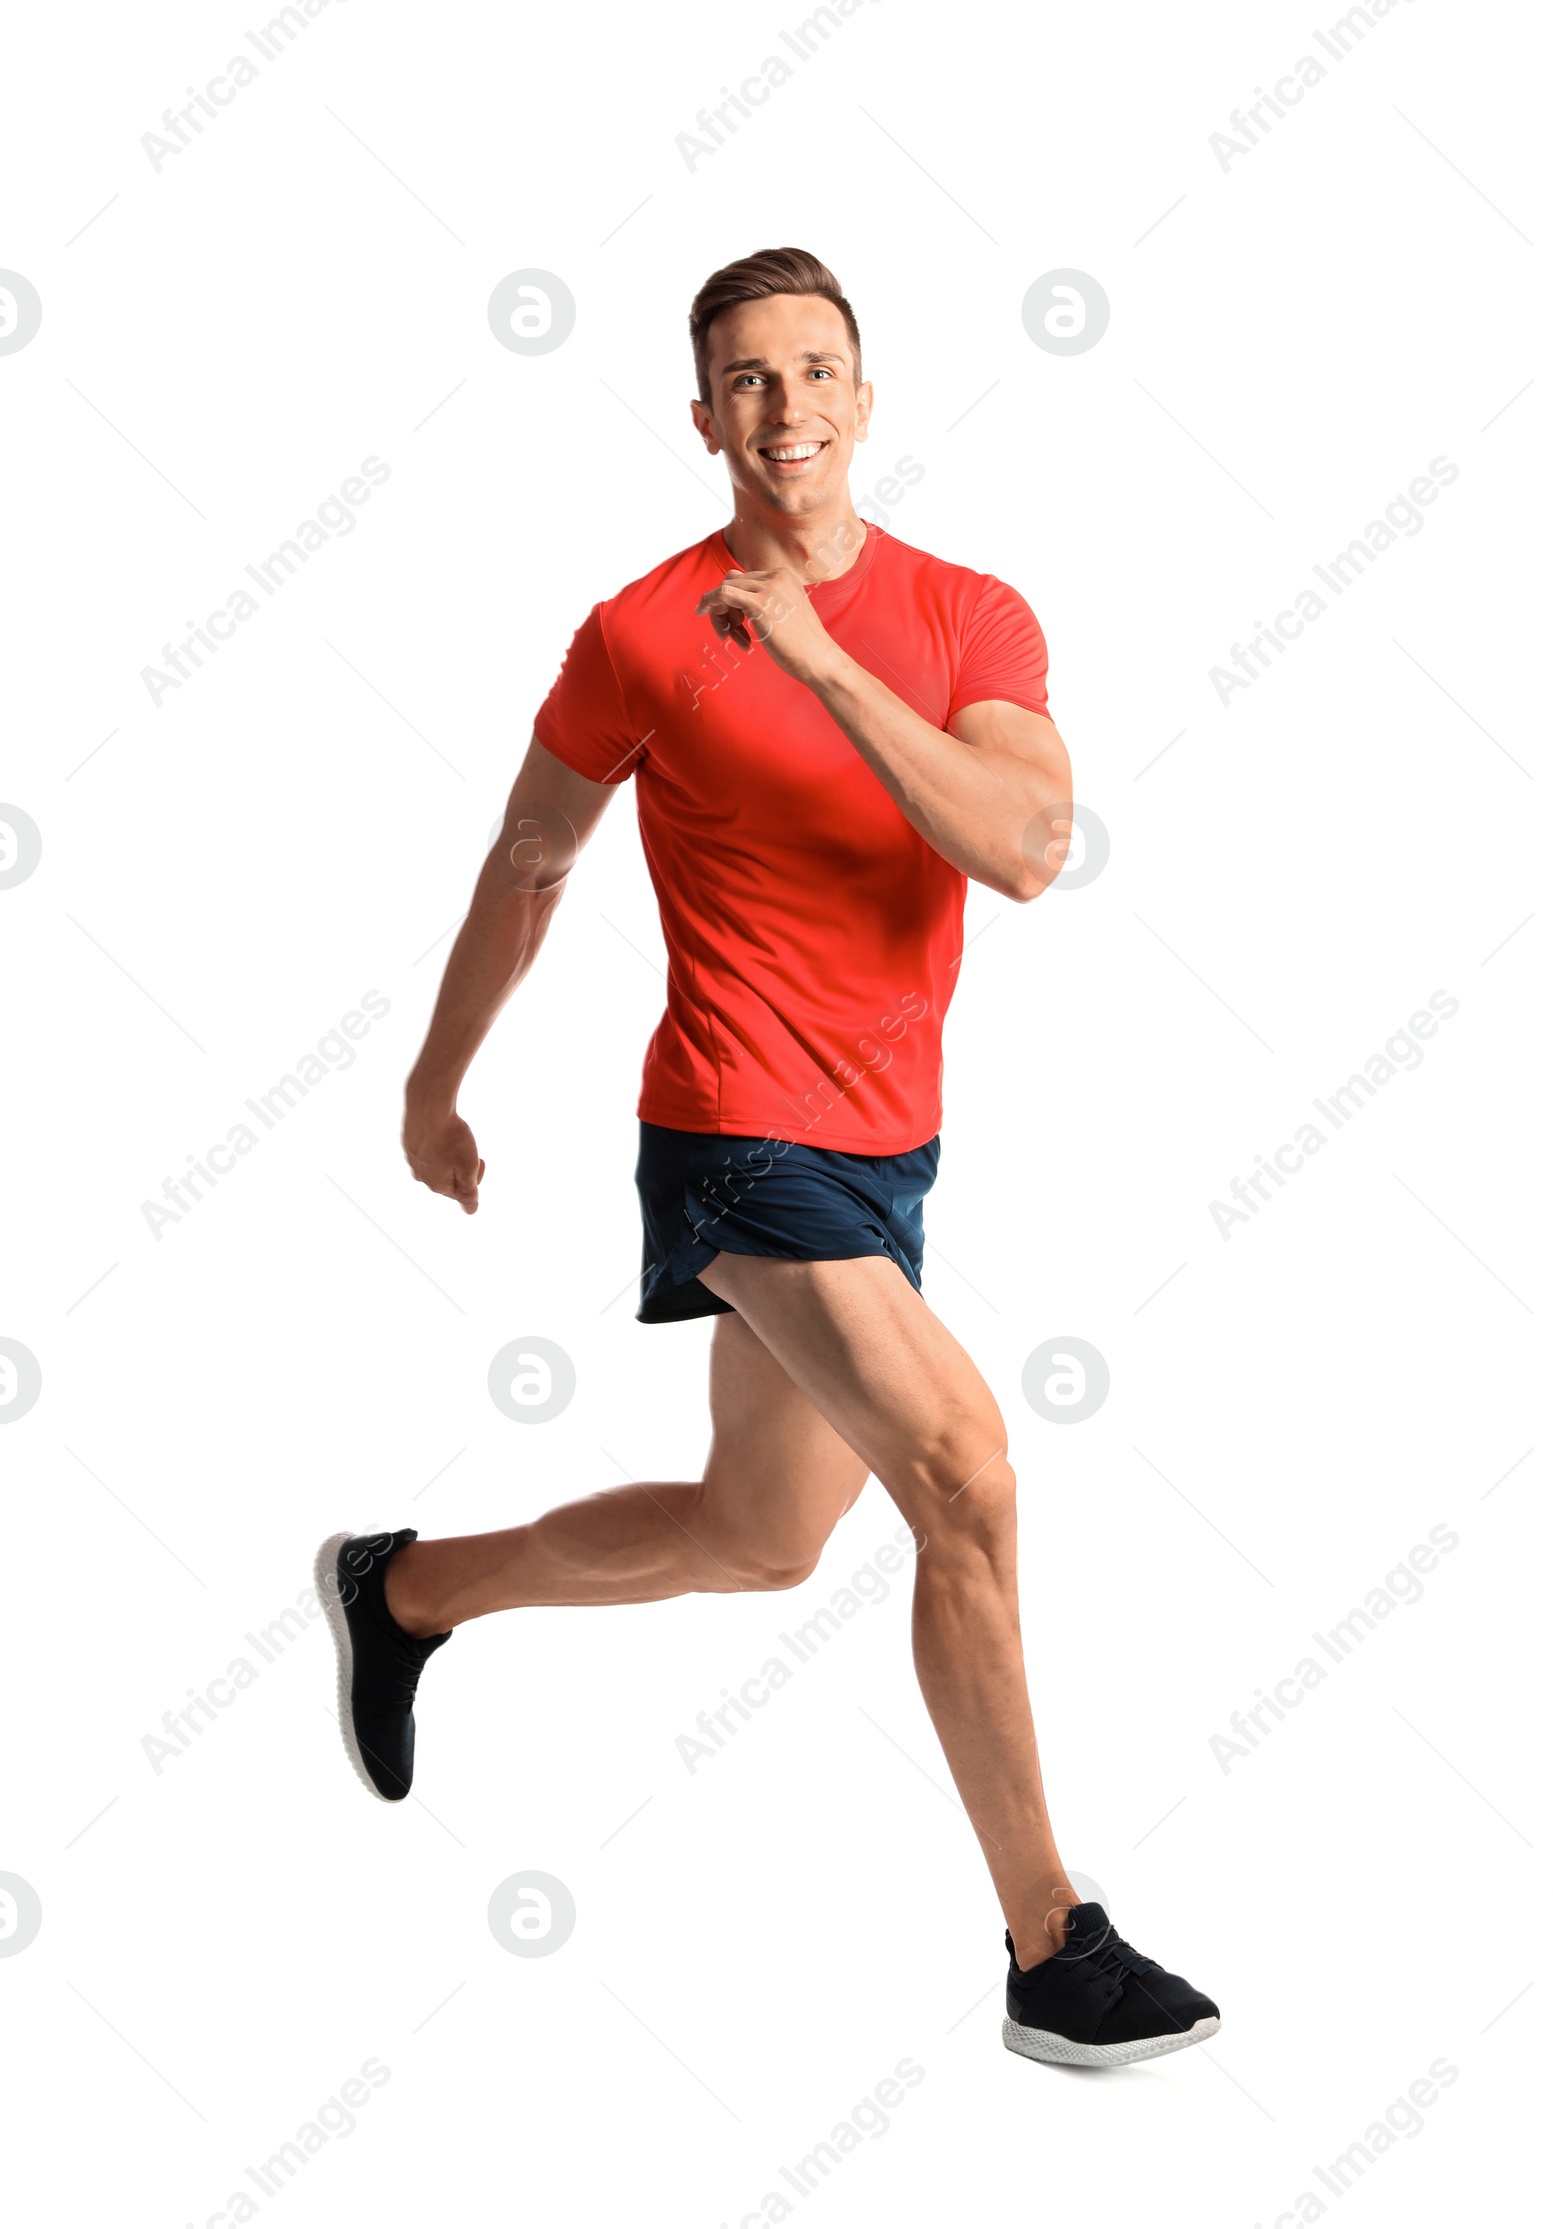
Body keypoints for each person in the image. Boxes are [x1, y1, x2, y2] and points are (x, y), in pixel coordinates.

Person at [316, 247, 1219, 2068]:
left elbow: (1026, 846)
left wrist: (816, 662)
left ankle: (403, 1588)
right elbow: (532, 862)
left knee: (757, 1537)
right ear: (704, 411)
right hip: (732, 1135)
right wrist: (435, 1082)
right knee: (963, 1471)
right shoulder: (639, 630)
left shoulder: (971, 618)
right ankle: (1054, 1947)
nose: (787, 406)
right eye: (748, 377)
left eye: (817, 370)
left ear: (867, 398)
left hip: (890, 1153)